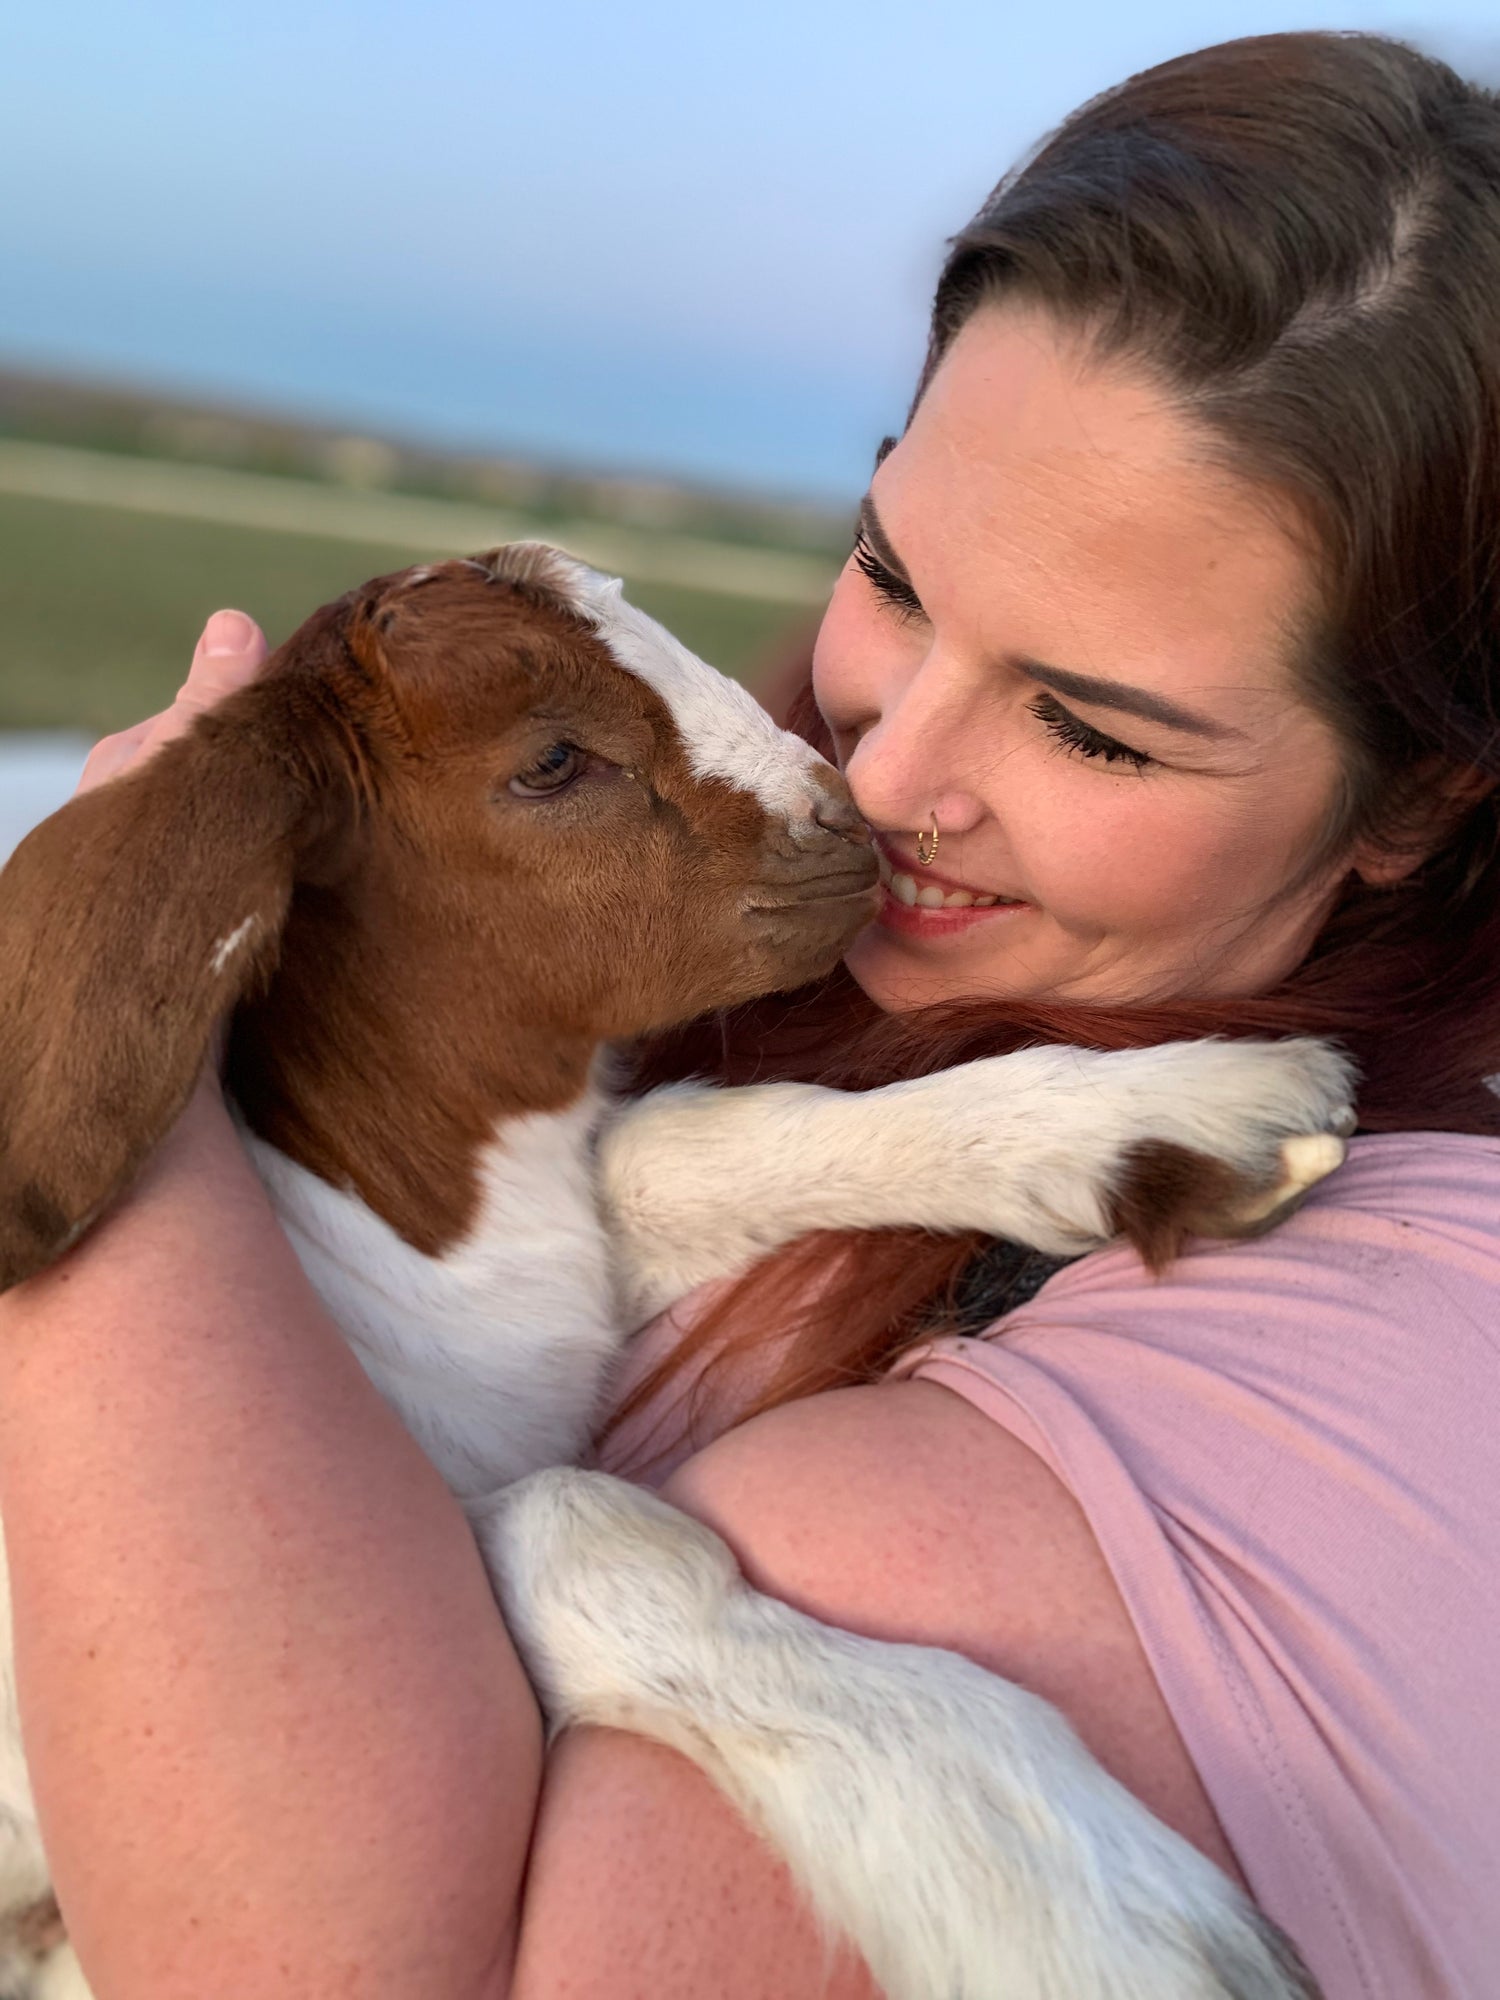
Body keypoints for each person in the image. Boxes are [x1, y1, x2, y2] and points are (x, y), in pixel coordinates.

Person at [4, 27, 1499, 1999]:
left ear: (1413, 801)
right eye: (896, 574)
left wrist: (103, 1082)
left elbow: (306, 1954)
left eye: (1091, 728)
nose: (887, 778)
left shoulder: (1402, 1322)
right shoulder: (745, 973)